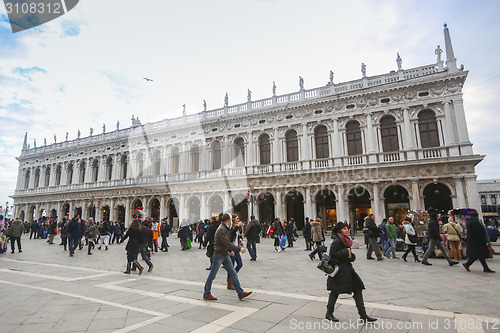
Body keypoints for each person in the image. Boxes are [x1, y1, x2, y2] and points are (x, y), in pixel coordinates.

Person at [325, 222, 376, 322]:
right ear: (340, 231)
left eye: (347, 229)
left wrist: (351, 256)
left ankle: (363, 315)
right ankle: (329, 313)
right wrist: (346, 253)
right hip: (339, 272)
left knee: (358, 289)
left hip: (348, 270)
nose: (347, 230)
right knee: (335, 292)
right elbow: (332, 256)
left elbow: (349, 256)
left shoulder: (346, 241)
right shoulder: (337, 241)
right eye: (344, 229)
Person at [203, 213, 252, 301]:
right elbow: (227, 243)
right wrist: (239, 249)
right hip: (218, 255)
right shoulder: (221, 229)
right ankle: (206, 293)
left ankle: (240, 293)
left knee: (233, 273)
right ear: (229, 220)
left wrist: (230, 251)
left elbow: (226, 242)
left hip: (225, 254)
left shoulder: (224, 228)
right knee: (212, 275)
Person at [227, 215, 244, 290]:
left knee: (240, 264)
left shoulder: (236, 228)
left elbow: (236, 235)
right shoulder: (230, 228)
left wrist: (240, 239)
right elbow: (231, 235)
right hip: (232, 249)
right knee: (231, 266)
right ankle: (230, 283)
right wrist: (238, 226)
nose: (238, 220)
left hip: (236, 248)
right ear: (233, 220)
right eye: (237, 219)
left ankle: (233, 277)